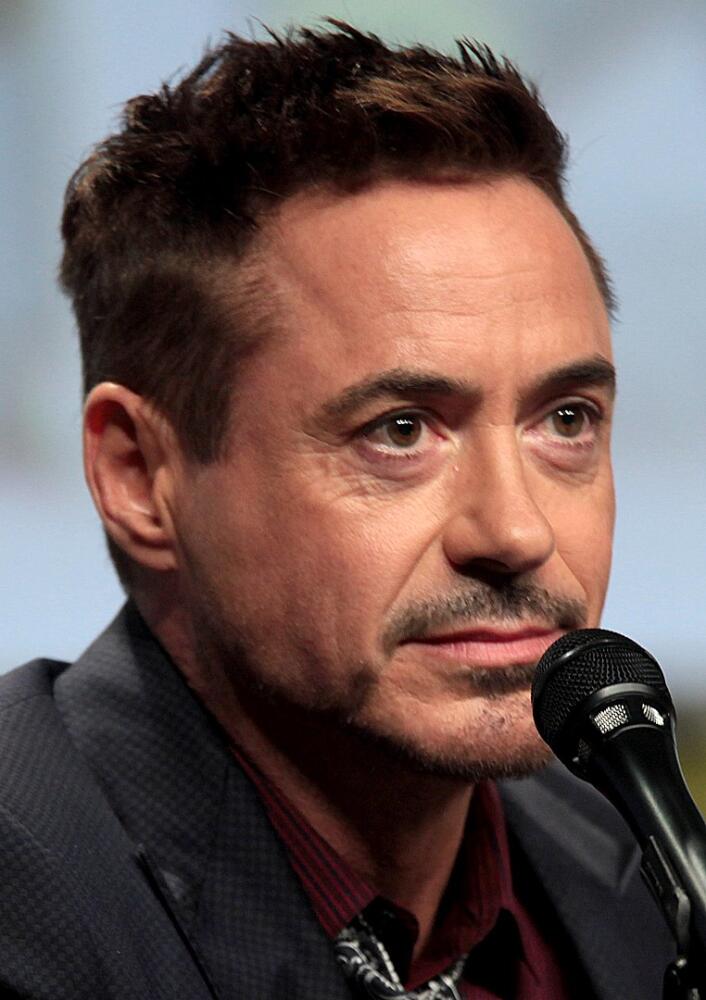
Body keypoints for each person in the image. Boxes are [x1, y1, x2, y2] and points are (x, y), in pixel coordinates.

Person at [0, 21, 673, 1000]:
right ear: (140, 475)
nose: (516, 531)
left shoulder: (638, 867)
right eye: (399, 430)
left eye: (565, 419)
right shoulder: (25, 903)